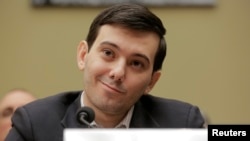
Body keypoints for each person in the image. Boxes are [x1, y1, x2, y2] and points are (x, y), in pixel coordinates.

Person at [6, 3, 205, 141]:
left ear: (152, 82)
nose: (118, 72)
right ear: (83, 55)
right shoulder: (35, 124)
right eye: (108, 53)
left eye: (136, 63)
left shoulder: (183, 123)